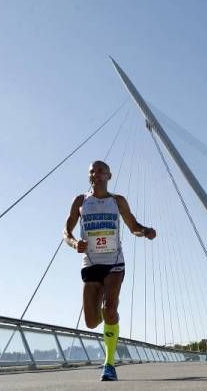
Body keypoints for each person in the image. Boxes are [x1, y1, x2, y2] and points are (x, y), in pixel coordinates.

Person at [63, 160, 156, 381]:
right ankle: (110, 318)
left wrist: (146, 231)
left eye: (100, 171)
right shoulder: (80, 201)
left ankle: (109, 364)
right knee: (91, 321)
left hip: (114, 262)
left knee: (110, 307)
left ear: (109, 176)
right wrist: (75, 243)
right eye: (92, 171)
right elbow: (66, 231)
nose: (96, 174)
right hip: (91, 264)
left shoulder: (118, 201)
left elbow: (133, 227)